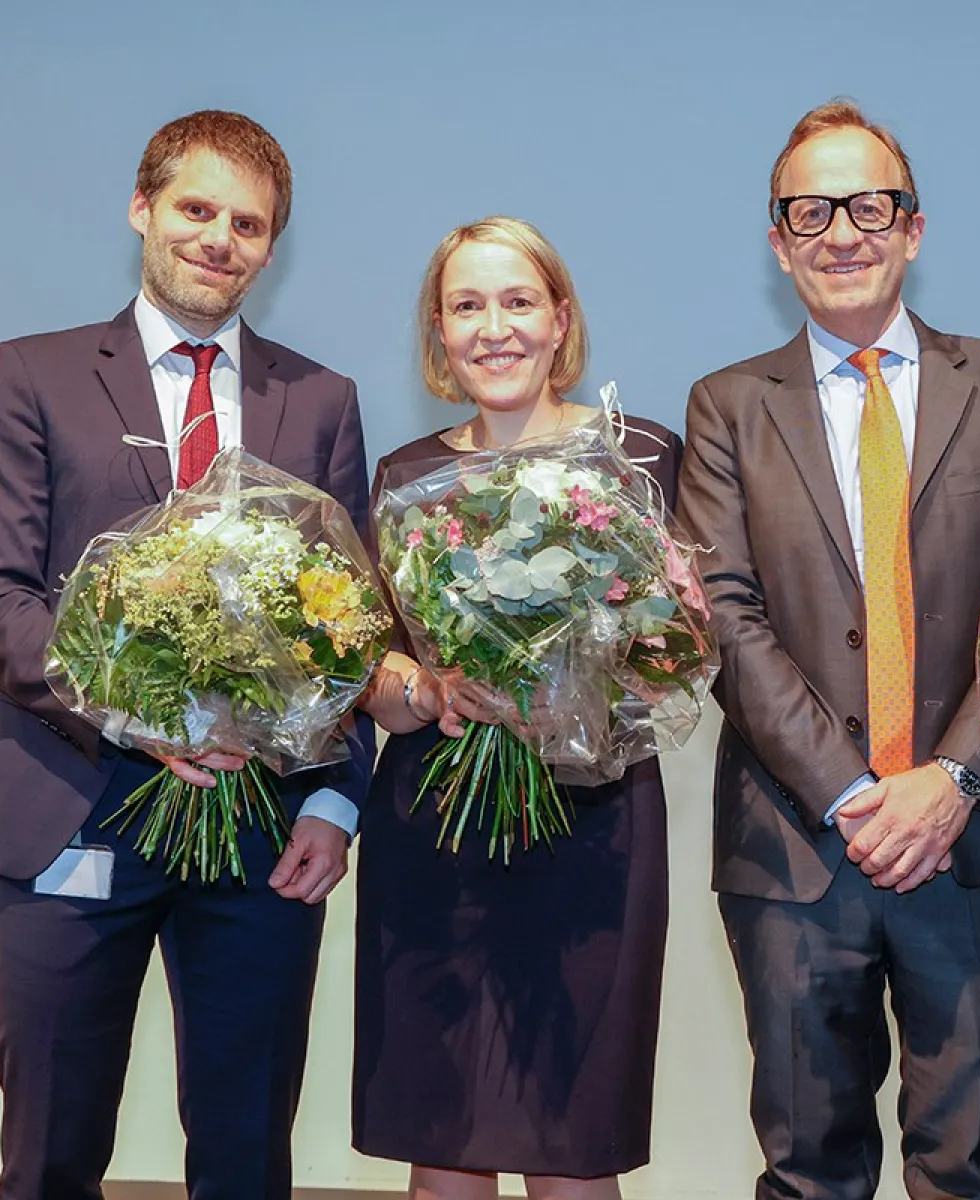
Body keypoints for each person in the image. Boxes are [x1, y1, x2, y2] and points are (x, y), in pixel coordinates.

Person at [0, 110, 374, 1198]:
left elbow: (352, 625)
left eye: (248, 224)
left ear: (270, 247)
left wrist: (336, 806)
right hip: (67, 808)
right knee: (50, 1154)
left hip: (263, 829)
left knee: (246, 1155)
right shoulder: (32, 374)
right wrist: (138, 713)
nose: (219, 239)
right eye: (197, 209)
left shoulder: (321, 400)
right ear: (142, 209)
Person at [676, 100, 980, 1198]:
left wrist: (948, 782)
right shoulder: (725, 407)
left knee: (972, 1168)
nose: (841, 232)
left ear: (913, 228)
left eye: (869, 205)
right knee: (808, 1169)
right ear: (777, 240)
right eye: (812, 211)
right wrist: (856, 795)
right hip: (796, 851)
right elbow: (723, 614)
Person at [351, 216, 678, 1200]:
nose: (494, 327)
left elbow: (679, 651)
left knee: (569, 1134)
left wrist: (586, 681)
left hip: (594, 826)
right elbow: (368, 667)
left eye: (517, 300)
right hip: (434, 825)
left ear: (559, 319)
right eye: (466, 305)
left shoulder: (637, 458)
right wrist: (427, 689)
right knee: (442, 1128)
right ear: (439, 334)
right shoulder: (406, 477)